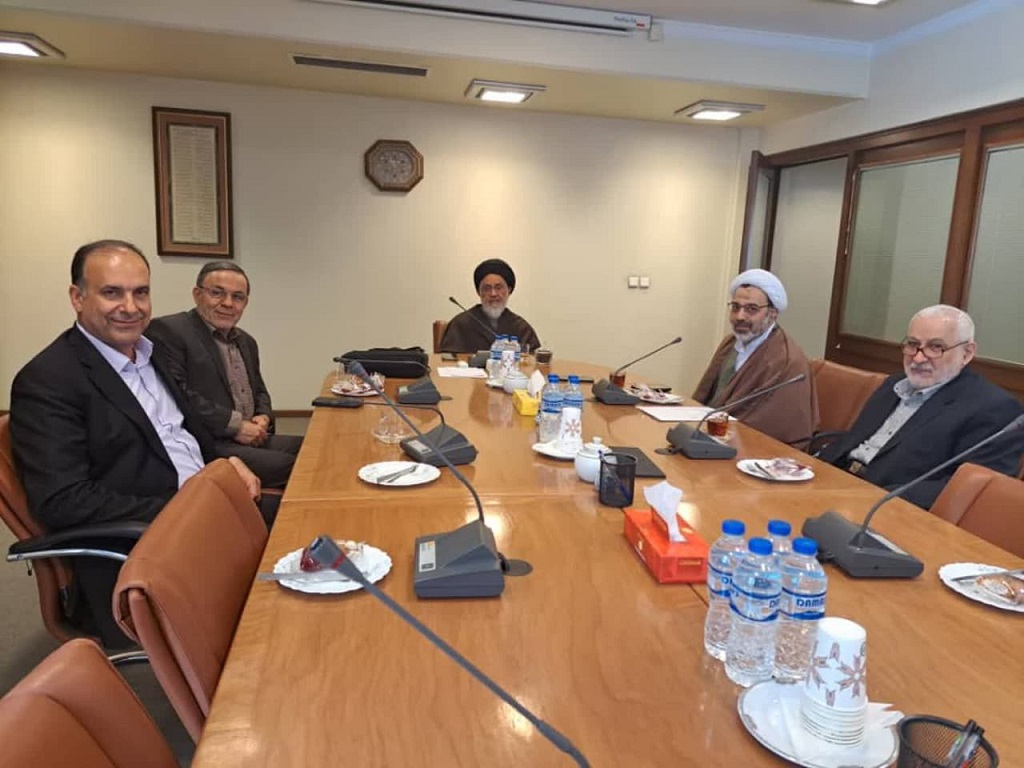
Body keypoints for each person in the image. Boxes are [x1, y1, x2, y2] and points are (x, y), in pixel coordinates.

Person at [9, 240, 270, 646]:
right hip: (150, 540)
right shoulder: (48, 381)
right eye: (112, 292)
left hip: (205, 506)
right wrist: (191, 505)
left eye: (140, 292)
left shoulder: (152, 354)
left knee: (308, 525)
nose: (130, 307)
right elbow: (63, 500)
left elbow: (185, 434)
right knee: (283, 598)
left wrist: (224, 466)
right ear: (78, 297)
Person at [819, 305, 1024, 509]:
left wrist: (875, 499)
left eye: (936, 347)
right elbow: (853, 441)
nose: (918, 358)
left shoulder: (995, 408)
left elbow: (971, 492)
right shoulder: (894, 385)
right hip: (835, 484)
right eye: (913, 344)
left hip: (887, 507)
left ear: (966, 353)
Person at [147, 261, 302, 488]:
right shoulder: (169, 331)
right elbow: (179, 395)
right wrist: (236, 426)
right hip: (208, 442)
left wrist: (263, 416)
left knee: (313, 449)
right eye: (217, 293)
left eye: (237, 297)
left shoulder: (247, 341)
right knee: (297, 467)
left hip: (251, 435)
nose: (228, 303)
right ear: (197, 295)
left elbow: (259, 390)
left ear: (245, 303)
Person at [692, 268, 818, 447]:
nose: (740, 316)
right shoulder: (731, 343)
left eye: (751, 309)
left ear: (772, 313)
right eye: (735, 307)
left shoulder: (786, 360)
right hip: (712, 436)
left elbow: (771, 426)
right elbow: (708, 397)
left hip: (759, 451)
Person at [439, 258, 542, 354]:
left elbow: (533, 362)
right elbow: (445, 361)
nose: (493, 294)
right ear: (478, 292)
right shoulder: (461, 324)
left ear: (509, 290)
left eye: (498, 287)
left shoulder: (522, 328)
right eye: (487, 288)